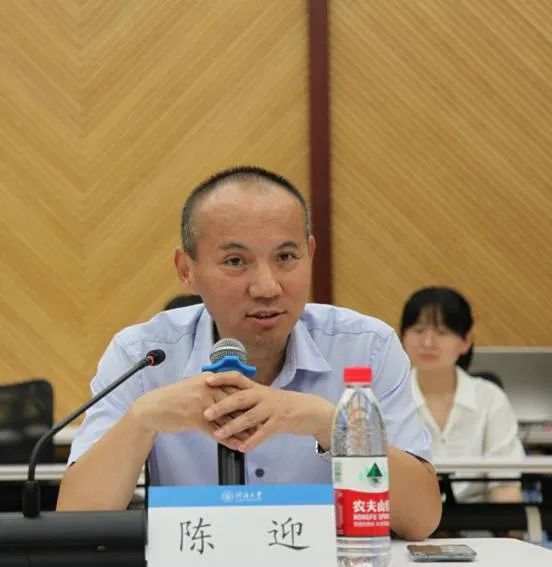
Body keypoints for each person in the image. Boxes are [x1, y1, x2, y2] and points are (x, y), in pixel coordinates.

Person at [57, 166, 441, 540]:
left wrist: (332, 425)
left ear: (310, 254)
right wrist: (141, 420)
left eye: (285, 257)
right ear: (187, 270)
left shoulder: (366, 347)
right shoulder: (143, 356)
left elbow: (421, 521)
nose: (266, 287)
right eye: (235, 262)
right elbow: (75, 525)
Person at [399, 286, 524, 503]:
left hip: (479, 521)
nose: (427, 343)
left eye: (442, 333)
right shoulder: (389, 398)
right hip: (408, 520)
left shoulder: (490, 398)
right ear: (402, 337)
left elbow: (506, 487)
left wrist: (510, 525)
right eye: (418, 331)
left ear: (466, 341)